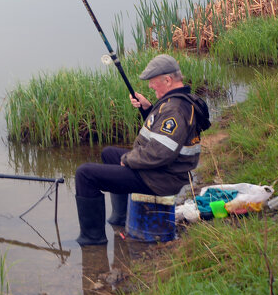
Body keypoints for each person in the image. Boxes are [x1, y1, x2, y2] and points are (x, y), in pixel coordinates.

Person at [74, 54, 210, 246]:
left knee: (84, 174)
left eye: (153, 82)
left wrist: (129, 160)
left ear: (168, 80)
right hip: (164, 171)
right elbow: (167, 137)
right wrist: (148, 109)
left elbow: (159, 153)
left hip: (161, 178)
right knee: (109, 153)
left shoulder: (175, 110)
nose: (150, 86)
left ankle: (91, 241)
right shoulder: (176, 102)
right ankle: (120, 219)